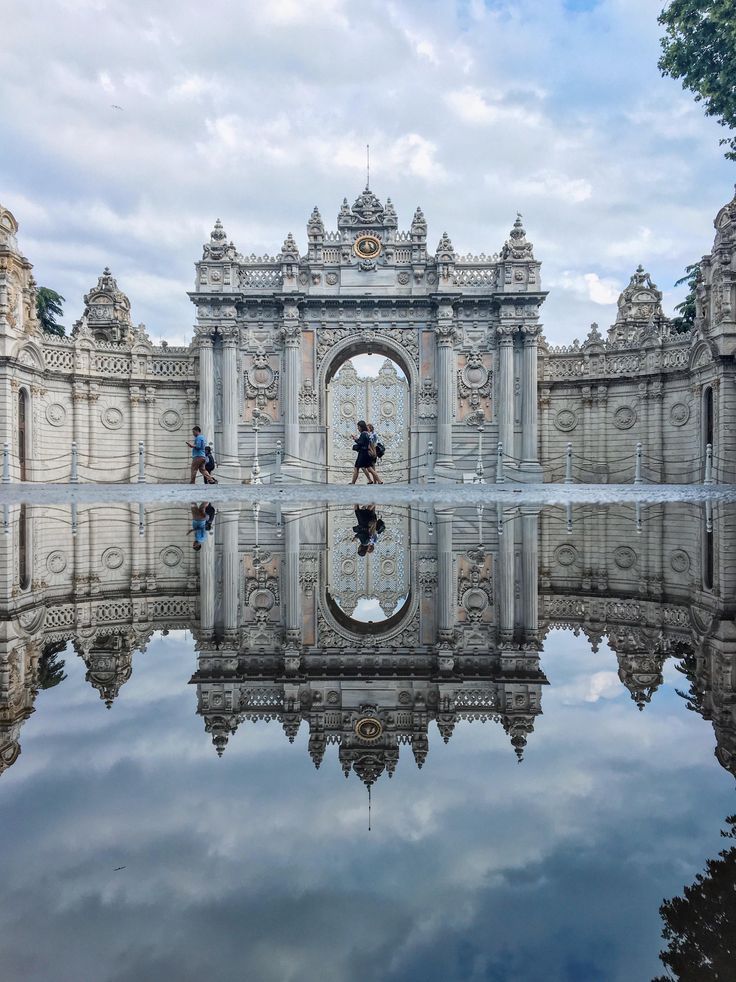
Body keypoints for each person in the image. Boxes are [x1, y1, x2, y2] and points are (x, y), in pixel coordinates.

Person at [350, 420, 378, 485]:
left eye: (358, 426)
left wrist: (355, 439)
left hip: (364, 453)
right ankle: (376, 481)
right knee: (368, 468)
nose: (358, 428)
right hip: (366, 452)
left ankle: (377, 481)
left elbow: (364, 443)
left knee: (368, 468)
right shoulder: (367, 434)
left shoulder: (365, 434)